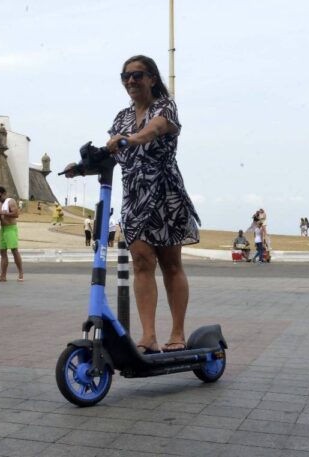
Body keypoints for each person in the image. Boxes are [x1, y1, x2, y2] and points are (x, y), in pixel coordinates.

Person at [67, 55, 199, 354]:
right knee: (140, 260)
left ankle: (177, 333)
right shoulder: (121, 118)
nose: (130, 81)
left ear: (152, 78)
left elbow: (154, 129)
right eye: (125, 76)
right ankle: (148, 336)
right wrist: (80, 167)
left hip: (165, 193)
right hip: (135, 196)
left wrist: (133, 138)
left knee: (170, 263)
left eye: (137, 75)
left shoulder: (165, 106)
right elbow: (111, 153)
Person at [0, 185, 25, 281]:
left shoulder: (10, 201)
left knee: (14, 251)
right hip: (3, 229)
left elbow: (16, 214)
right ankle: (3, 275)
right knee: (3, 252)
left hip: (11, 228)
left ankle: (21, 273)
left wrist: (3, 213)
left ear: (4, 194)